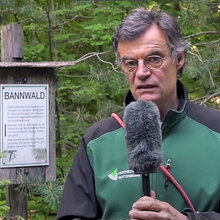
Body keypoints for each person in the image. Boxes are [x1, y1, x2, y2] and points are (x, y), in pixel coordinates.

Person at [56, 8, 220, 220]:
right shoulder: (97, 141)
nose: (141, 73)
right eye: (130, 63)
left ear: (178, 59)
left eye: (153, 59)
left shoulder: (215, 130)